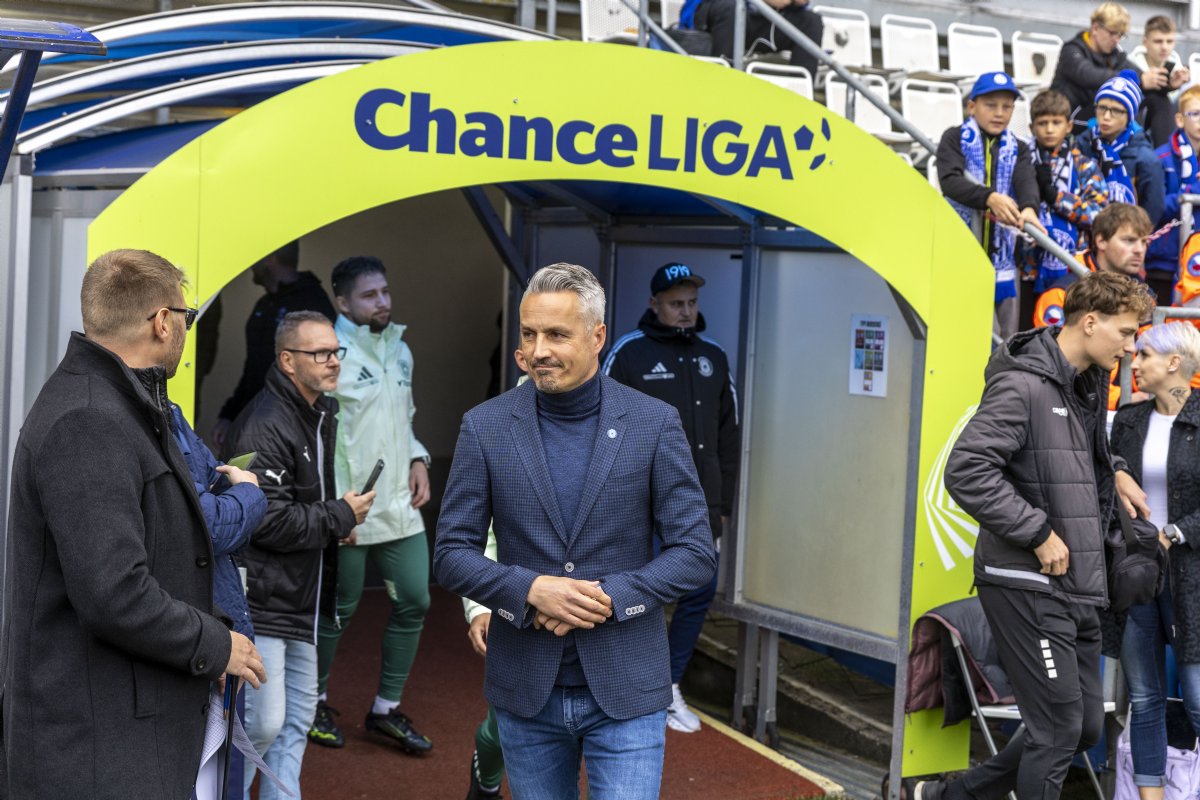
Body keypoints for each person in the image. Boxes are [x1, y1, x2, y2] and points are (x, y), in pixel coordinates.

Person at [433, 263, 716, 799]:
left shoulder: (653, 423)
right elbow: (451, 554)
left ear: (597, 336)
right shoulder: (485, 426)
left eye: (557, 335)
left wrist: (608, 597)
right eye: (529, 334)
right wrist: (531, 589)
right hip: (526, 690)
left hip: (628, 686)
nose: (538, 350)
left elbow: (695, 552)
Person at [2, 248, 266, 799]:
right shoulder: (89, 419)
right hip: (95, 746)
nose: (186, 330)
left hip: (117, 730)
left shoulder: (120, 404)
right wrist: (215, 644)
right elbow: (113, 593)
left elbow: (158, 552)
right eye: (187, 317)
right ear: (163, 322)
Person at [922, 271, 1156, 800]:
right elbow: (967, 471)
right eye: (1125, 332)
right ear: (1090, 322)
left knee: (1083, 729)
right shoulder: (1022, 384)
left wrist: (1116, 469)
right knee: (1055, 734)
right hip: (1027, 581)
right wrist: (1037, 532)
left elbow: (1070, 455)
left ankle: (950, 797)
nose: (1130, 347)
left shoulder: (1084, 380)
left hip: (1076, 584)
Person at [226, 311, 375, 800]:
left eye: (336, 351)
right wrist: (339, 517)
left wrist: (334, 524)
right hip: (264, 602)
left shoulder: (316, 412)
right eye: (321, 353)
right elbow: (264, 520)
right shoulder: (265, 423)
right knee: (261, 726)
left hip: (300, 600)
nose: (334, 361)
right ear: (288, 361)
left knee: (294, 724)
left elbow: (298, 509)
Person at [601, 262, 739, 733]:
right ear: (654, 304)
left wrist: (724, 505)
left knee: (699, 591)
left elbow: (729, 437)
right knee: (638, 595)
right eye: (676, 303)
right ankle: (625, 687)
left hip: (699, 507)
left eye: (691, 303)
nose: (685, 311)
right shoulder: (628, 353)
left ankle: (667, 686)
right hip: (641, 505)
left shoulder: (713, 356)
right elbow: (600, 426)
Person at [310, 256, 433, 755]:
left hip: (399, 503)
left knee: (415, 600)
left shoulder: (400, 350)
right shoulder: (328, 353)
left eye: (385, 291)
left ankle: (385, 709)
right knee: (336, 610)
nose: (382, 302)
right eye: (369, 295)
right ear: (342, 303)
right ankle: (313, 702)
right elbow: (320, 435)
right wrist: (334, 507)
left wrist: (418, 457)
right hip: (349, 508)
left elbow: (402, 418)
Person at [1108, 321, 1200, 799]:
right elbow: (1101, 472)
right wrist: (1117, 471)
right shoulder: (1128, 420)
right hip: (1137, 574)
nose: (1134, 361)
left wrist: (1175, 533)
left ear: (1174, 363)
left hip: (1192, 579)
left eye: (1144, 354)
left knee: (1197, 697)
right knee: (1144, 698)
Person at [169, 401, 268, 800]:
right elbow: (206, 527)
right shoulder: (140, 416)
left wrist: (231, 495)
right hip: (196, 637)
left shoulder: (170, 410)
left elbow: (212, 480)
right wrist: (249, 493)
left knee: (222, 774)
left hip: (217, 630)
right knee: (199, 775)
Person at [937, 71, 1045, 340]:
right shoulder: (954, 137)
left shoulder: (1018, 148)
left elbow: (1026, 181)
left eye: (1007, 107)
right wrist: (989, 198)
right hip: (958, 255)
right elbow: (950, 181)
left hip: (1004, 261)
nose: (999, 113)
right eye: (991, 105)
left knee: (1006, 338)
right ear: (971, 107)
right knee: (959, 332)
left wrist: (1029, 207)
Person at [211, 241, 335, 451]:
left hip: (292, 428)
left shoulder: (312, 302)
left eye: (256, 257)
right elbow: (253, 368)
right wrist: (229, 414)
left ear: (270, 258)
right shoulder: (264, 305)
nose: (251, 265)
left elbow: (321, 372)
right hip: (257, 420)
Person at [1023, 89, 1109, 299]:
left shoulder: (1084, 166)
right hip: (1028, 266)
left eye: (1056, 122)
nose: (1049, 129)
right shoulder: (1022, 162)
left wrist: (1056, 197)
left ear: (1069, 126)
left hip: (1073, 267)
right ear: (1031, 128)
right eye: (1042, 123)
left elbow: (1098, 215)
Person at [1076, 70, 1166, 230]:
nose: (1106, 116)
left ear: (1129, 116)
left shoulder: (1145, 158)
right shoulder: (1081, 145)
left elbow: (1153, 209)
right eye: (1102, 108)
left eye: (1116, 111)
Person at [1051, 2, 1147, 134]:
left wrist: (1165, 82)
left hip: (1098, 113)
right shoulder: (1072, 50)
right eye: (1112, 33)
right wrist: (1134, 79)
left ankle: (1153, 145)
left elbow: (1136, 72)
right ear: (1095, 28)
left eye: (1120, 35)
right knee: (1121, 107)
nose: (1116, 40)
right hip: (1069, 117)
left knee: (1155, 99)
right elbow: (1087, 75)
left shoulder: (1113, 54)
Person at [1148, 84, 1200, 303]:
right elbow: (1154, 209)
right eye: (1196, 114)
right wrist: (1191, 191)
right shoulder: (1160, 158)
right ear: (1180, 119)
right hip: (1164, 262)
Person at [464, 529, 506, 800]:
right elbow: (480, 536)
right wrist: (481, 607)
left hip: (606, 619)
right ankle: (486, 787)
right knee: (500, 729)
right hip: (521, 616)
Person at [693, 0, 823, 76]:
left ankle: (798, 96)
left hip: (767, 19)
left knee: (811, 21)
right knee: (731, 9)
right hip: (719, 11)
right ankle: (721, 83)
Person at [1128, 15, 1190, 147]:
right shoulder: (1129, 65)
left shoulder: (1179, 70)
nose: (1164, 47)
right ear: (1145, 42)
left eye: (1169, 41)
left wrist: (1182, 86)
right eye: (1158, 41)